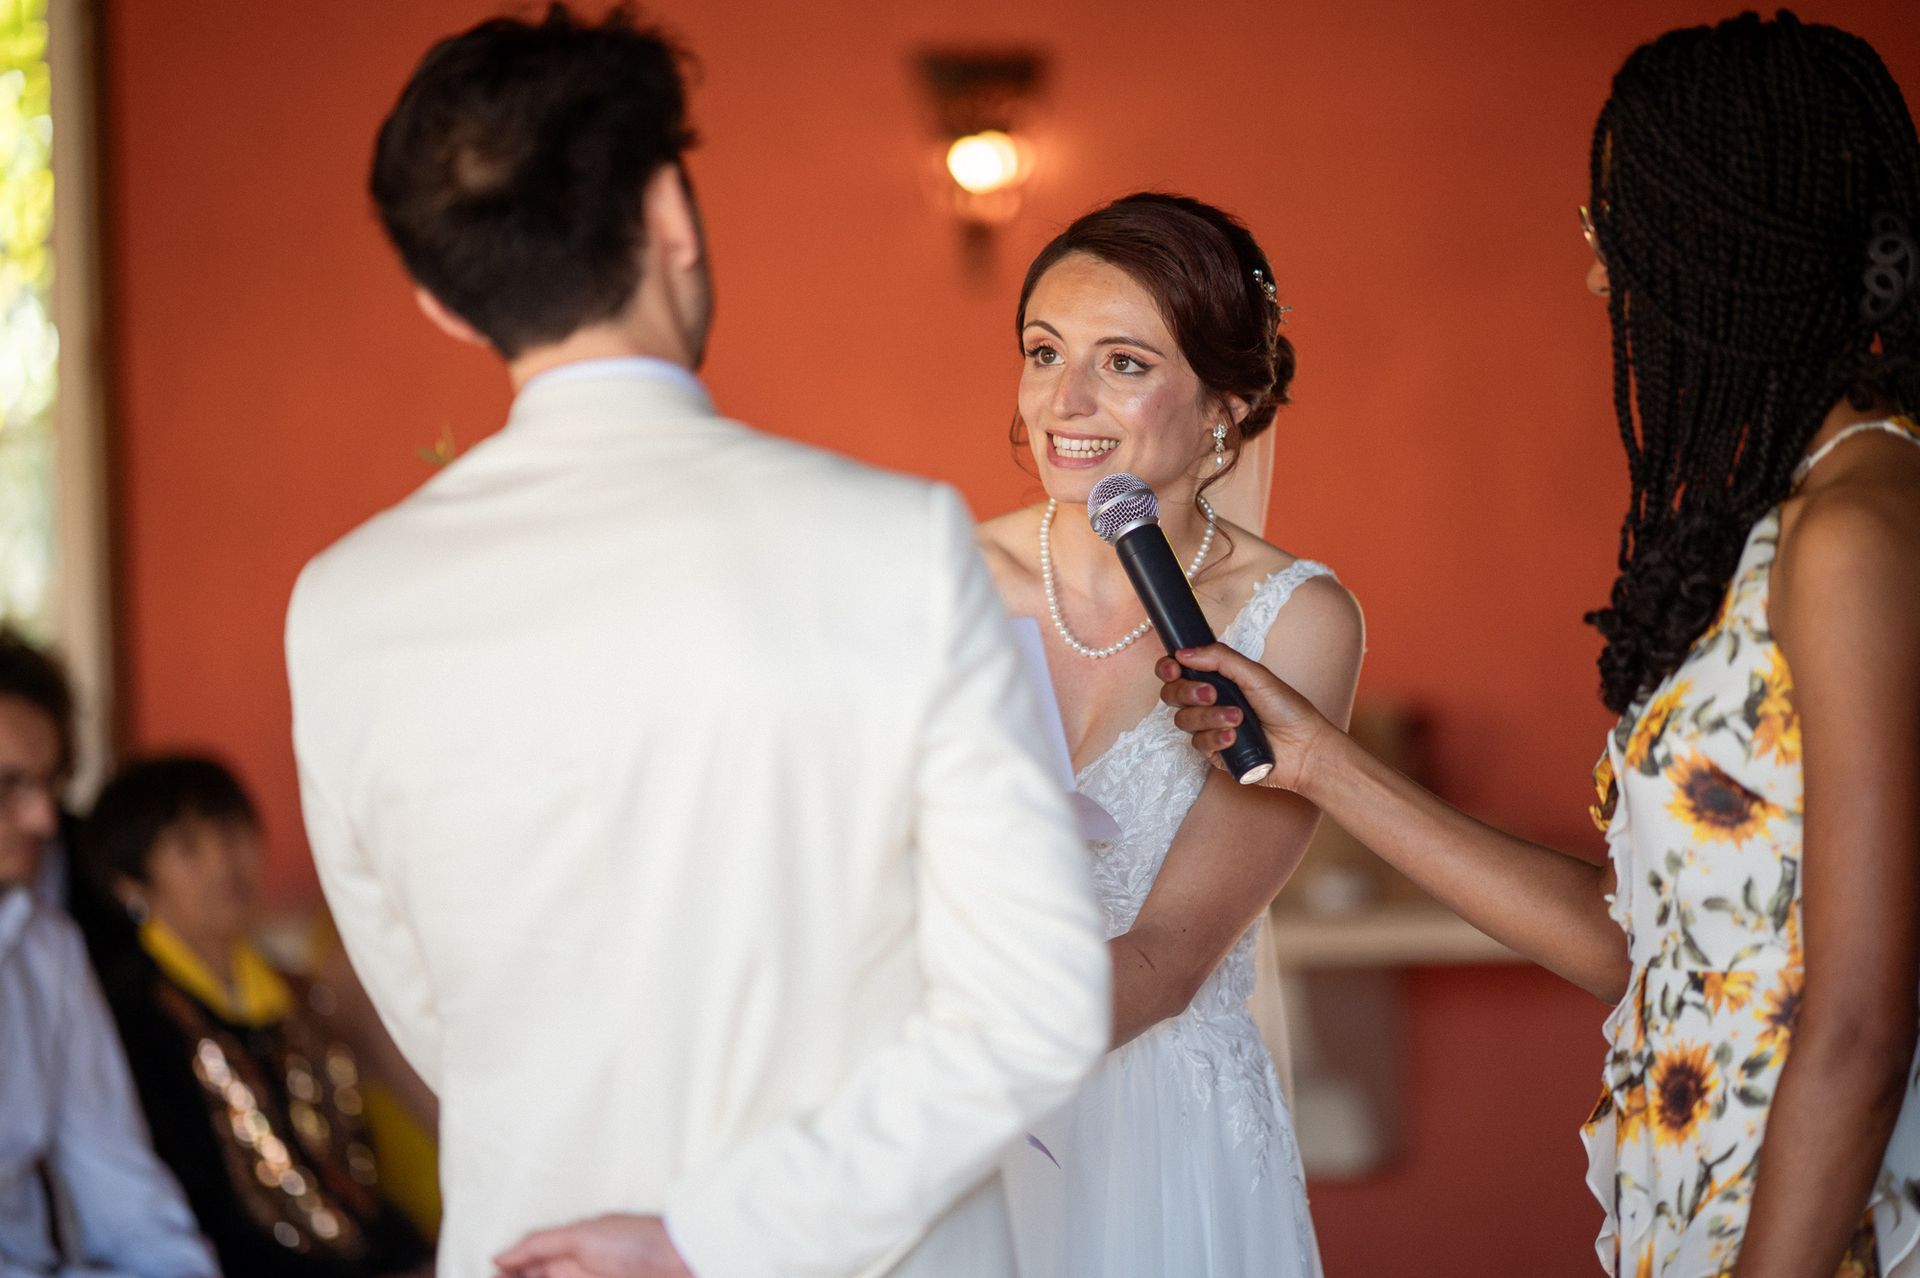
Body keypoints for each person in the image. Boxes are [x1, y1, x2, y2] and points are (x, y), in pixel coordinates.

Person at [285, 8, 1111, 1278]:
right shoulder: (895, 544)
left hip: (532, 1249)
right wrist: (712, 1233)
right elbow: (1035, 1008)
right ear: (671, 211)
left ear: (442, 301)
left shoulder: (342, 604)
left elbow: (434, 1013)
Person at [1159, 13, 1920, 1276]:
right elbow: (1651, 952)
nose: (1600, 275)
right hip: (1701, 1214)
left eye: (1611, 229)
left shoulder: (1860, 529)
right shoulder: (1790, 522)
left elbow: (1862, 1020)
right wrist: (1318, 760)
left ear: (1722, 232)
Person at [971, 193, 1364, 1276]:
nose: (1066, 400)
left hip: (1157, 1126)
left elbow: (1170, 954)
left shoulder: (1295, 619)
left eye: (1124, 363)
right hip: (956, 1130)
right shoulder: (941, 574)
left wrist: (932, 1077)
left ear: (1226, 405)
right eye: (1044, 351)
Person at [80, 755, 433, 1277]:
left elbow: (351, 1173)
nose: (223, 861)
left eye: (232, 831)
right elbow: (187, 1204)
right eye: (188, 847)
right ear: (129, 885)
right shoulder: (128, 1016)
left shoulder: (298, 996)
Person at [0, 631, 218, 1277]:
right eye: (9, 785)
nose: (45, 819)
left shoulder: (47, 951)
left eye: (50, 784)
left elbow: (126, 1198)